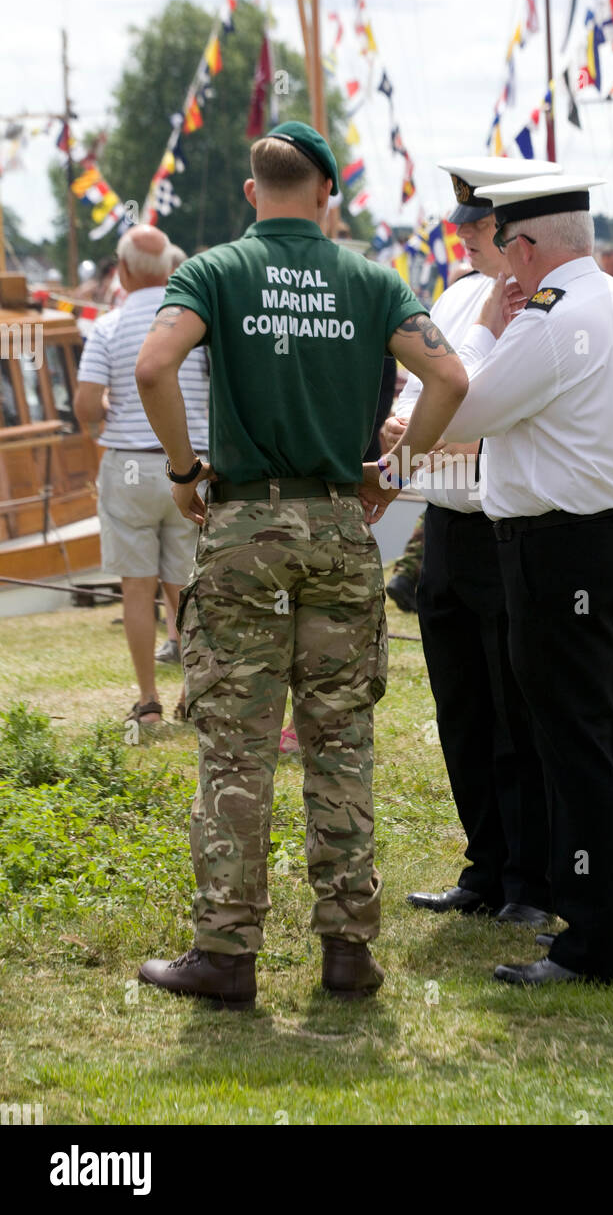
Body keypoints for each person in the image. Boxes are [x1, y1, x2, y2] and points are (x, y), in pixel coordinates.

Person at [133, 121, 467, 1009]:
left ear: (253, 193)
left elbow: (153, 365)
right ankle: (349, 950)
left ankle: (227, 954)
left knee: (238, 748)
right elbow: (452, 382)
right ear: (327, 194)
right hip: (339, 524)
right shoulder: (370, 280)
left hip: (244, 524)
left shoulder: (211, 270)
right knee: (340, 738)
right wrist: (393, 476)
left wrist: (180, 469)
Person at [433, 171, 613, 986]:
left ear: (526, 247)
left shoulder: (546, 320)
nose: (502, 270)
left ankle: (592, 945)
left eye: (504, 250)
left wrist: (482, 332)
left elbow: (461, 413)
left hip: (552, 550)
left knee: (571, 746)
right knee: (608, 743)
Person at [386, 157, 559, 927]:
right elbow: (411, 398)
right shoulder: (455, 298)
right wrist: (410, 429)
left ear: (511, 229)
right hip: (447, 529)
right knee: (461, 710)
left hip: (505, 530)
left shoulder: (535, 309)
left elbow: (485, 423)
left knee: (515, 712)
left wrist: (430, 434)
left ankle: (531, 879)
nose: (464, 237)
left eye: (478, 226)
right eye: (461, 225)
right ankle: (484, 867)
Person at [73, 225, 209, 726]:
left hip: (129, 463)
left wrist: (114, 410)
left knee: (137, 586)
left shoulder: (107, 327)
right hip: (191, 464)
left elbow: (87, 404)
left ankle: (148, 702)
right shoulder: (194, 323)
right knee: (186, 585)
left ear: (124, 270)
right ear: (171, 270)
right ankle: (193, 695)